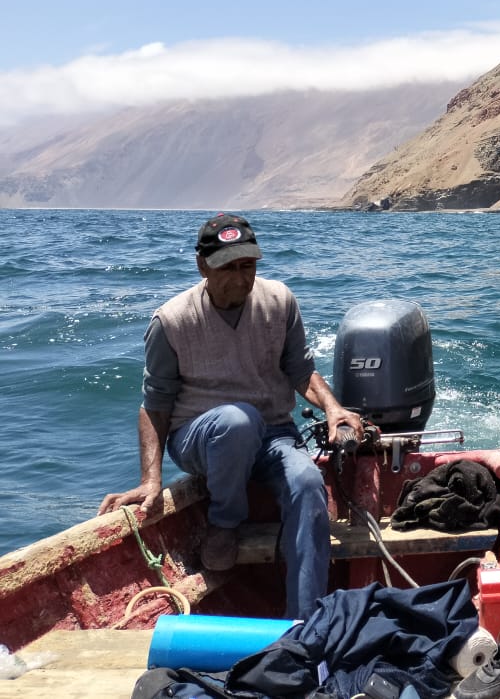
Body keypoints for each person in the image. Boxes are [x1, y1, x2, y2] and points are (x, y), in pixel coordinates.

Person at [98, 213, 363, 619]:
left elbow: (300, 370)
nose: (240, 278)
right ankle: (225, 522)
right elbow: (155, 404)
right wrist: (150, 479)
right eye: (228, 267)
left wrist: (333, 407)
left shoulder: (280, 301)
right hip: (200, 436)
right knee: (237, 422)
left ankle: (304, 624)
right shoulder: (170, 321)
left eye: (248, 266)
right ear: (202, 265)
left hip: (273, 434)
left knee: (309, 482)